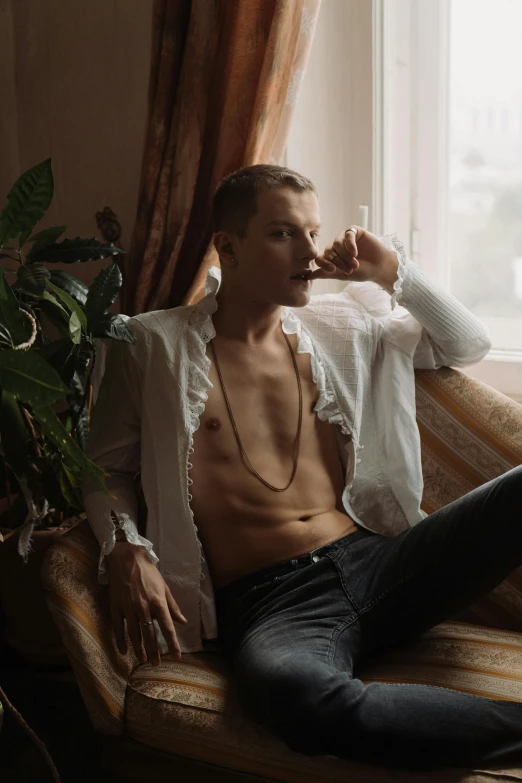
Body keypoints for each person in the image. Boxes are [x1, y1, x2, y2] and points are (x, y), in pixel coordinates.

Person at [82, 164, 522, 770]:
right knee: (297, 698)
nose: (312, 254)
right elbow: (104, 469)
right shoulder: (150, 345)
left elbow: (466, 343)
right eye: (285, 234)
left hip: (382, 561)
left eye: (313, 233)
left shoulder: (342, 325)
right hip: (274, 605)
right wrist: (126, 547)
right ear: (229, 246)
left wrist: (392, 271)